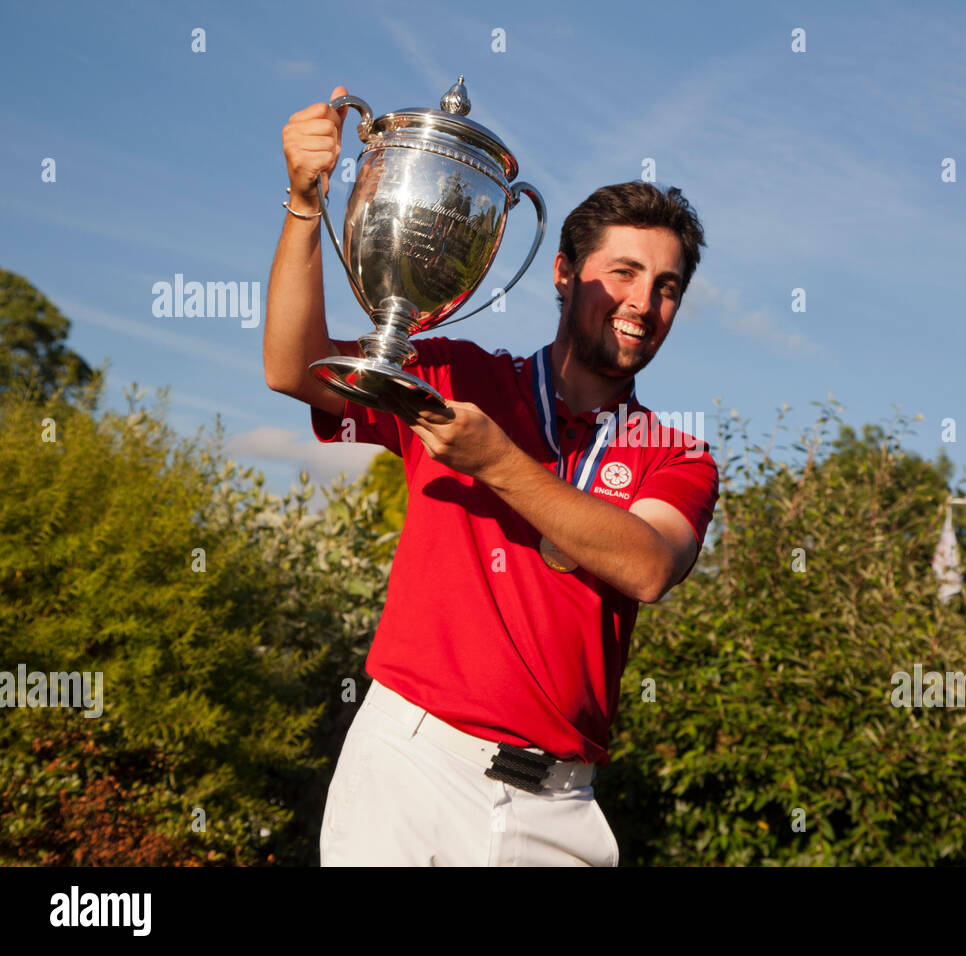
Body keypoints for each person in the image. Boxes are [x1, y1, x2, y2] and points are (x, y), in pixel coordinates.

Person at [265, 87, 719, 866]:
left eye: (667, 286)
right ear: (564, 274)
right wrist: (305, 203)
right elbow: (289, 367)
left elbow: (646, 566)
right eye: (624, 273)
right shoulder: (455, 374)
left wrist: (498, 463)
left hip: (561, 809)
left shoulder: (676, 453)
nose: (644, 303)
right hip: (410, 766)